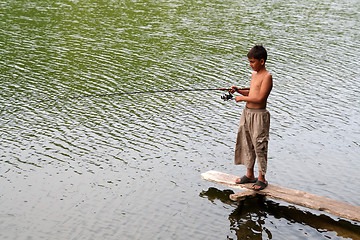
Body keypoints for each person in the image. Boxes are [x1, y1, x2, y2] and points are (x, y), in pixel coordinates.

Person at [229, 45, 273, 191]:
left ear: (262, 61)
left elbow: (260, 98)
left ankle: (262, 179)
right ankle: (249, 175)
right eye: (249, 62)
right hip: (247, 113)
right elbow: (251, 93)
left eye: (252, 62)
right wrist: (238, 90)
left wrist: (241, 98)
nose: (250, 65)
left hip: (259, 115)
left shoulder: (267, 77)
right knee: (246, 142)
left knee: (259, 145)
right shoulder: (254, 75)